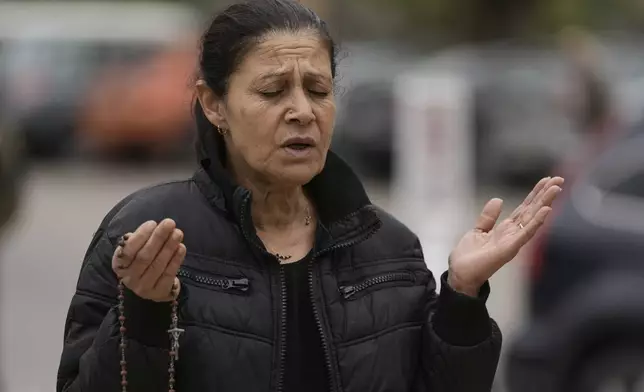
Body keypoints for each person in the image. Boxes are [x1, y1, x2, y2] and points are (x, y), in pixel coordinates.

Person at [56, 1, 564, 391]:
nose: (303, 111)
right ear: (213, 104)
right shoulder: (147, 233)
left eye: (318, 90)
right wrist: (144, 313)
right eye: (274, 91)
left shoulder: (389, 246)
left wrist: (462, 296)